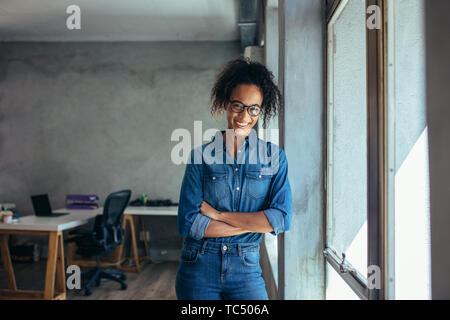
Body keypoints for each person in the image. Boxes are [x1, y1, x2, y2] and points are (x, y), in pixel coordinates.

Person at [175, 57, 292, 300]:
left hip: (246, 270)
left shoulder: (274, 157)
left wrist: (218, 216)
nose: (244, 115)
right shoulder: (200, 157)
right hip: (198, 266)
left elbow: (280, 219)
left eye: (253, 109)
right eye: (238, 105)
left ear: (260, 111)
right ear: (226, 104)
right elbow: (188, 223)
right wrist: (253, 223)